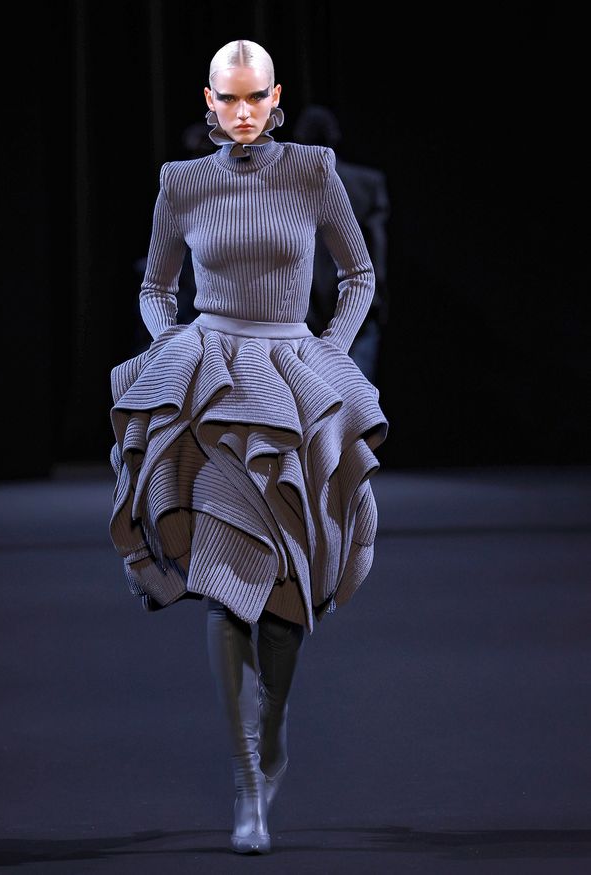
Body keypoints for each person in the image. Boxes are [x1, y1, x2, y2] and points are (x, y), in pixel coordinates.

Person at [108, 39, 388, 855]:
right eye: (226, 99)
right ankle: (246, 781)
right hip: (213, 385)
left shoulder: (313, 171)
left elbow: (359, 274)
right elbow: (157, 287)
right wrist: (173, 344)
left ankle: (272, 734)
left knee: (288, 593)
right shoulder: (181, 182)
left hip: (292, 379)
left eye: (254, 98)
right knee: (226, 586)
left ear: (275, 98)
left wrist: (329, 351)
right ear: (209, 100)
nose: (240, 113)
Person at [294, 105, 390, 384]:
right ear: (335, 136)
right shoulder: (366, 183)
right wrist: (380, 288)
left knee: (312, 392)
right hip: (355, 299)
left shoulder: (287, 187)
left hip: (306, 303)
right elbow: (377, 241)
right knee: (356, 389)